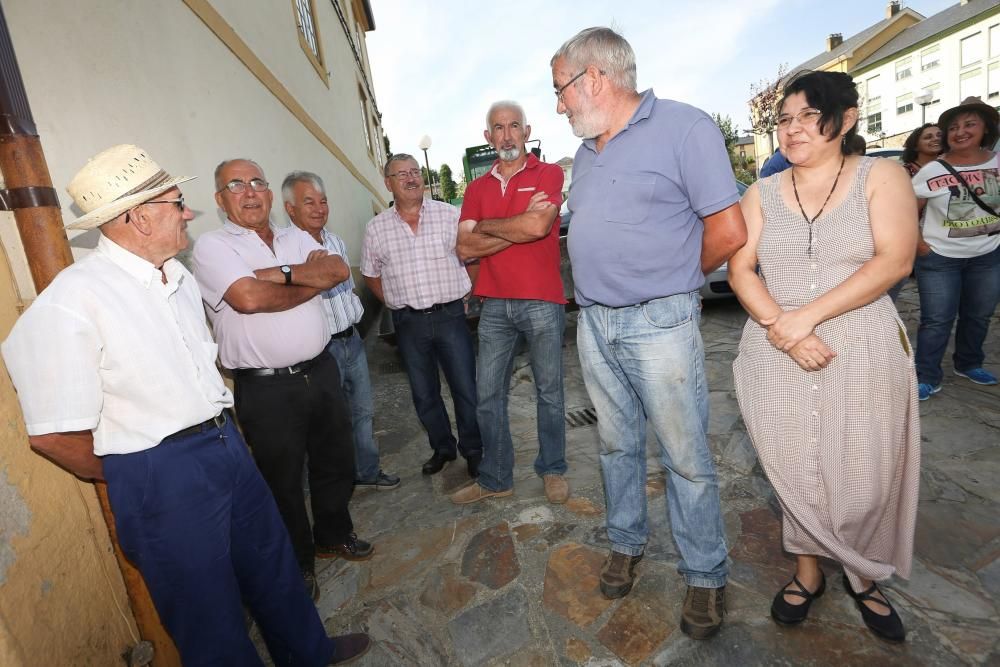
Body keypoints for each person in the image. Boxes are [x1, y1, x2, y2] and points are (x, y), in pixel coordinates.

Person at [1, 145, 370, 665]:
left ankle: (307, 653)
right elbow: (53, 435)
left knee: (273, 568)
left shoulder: (175, 278)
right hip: (158, 470)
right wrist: (138, 473)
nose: (189, 212)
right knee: (209, 617)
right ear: (138, 217)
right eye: (176, 202)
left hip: (224, 441)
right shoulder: (72, 301)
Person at [551, 27, 747, 640]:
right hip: (594, 323)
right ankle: (627, 542)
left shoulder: (685, 128)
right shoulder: (586, 152)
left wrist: (673, 285)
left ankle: (705, 575)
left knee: (684, 457)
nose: (557, 104)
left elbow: (730, 228)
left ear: (594, 79)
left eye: (560, 90)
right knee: (614, 446)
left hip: (659, 323)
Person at [729, 71, 919, 643]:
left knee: (865, 469)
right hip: (777, 351)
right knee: (794, 467)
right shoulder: (760, 193)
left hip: (861, 349)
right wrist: (782, 329)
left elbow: (894, 261)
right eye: (784, 119)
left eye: (809, 116)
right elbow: (740, 268)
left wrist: (804, 318)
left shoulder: (881, 176)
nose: (793, 129)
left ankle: (863, 572)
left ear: (847, 117)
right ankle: (808, 571)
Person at [193, 159, 374, 603]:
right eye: (236, 185)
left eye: (258, 182)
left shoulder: (296, 235)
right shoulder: (212, 248)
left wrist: (285, 275)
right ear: (221, 200)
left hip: (321, 367)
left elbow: (336, 271)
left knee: (336, 461)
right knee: (283, 481)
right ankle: (299, 561)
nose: (250, 191)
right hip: (267, 388)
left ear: (271, 194)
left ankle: (334, 533)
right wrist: (302, 277)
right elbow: (248, 298)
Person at [449, 101, 568, 506]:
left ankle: (552, 469)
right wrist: (520, 228)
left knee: (550, 392)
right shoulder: (477, 188)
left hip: (542, 300)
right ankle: (496, 476)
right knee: (487, 395)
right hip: (494, 304)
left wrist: (488, 227)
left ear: (526, 131)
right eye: (498, 128)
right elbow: (465, 246)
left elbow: (539, 226)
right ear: (488, 137)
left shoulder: (548, 173)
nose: (506, 134)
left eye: (513, 126)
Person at [361, 154, 483, 477]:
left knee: (465, 388)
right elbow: (370, 274)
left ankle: (473, 450)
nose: (411, 178)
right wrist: (394, 301)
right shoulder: (376, 229)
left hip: (450, 317)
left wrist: (467, 292)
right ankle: (443, 448)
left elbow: (471, 256)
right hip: (409, 323)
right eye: (401, 174)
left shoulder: (449, 215)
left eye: (415, 171)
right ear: (388, 183)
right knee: (424, 393)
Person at [282, 170, 400, 491]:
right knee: (331, 422)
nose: (320, 208)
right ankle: (337, 482)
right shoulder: (285, 249)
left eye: (323, 201)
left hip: (352, 339)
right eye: (309, 202)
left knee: (363, 412)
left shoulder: (334, 240)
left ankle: (367, 470)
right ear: (290, 208)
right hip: (322, 350)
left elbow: (345, 289)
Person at [911, 97, 1000, 399]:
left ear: (986, 128)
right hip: (940, 259)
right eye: (953, 127)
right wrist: (920, 244)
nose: (960, 131)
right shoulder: (933, 169)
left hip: (988, 255)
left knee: (979, 315)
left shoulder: (997, 162)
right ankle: (927, 375)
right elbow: (908, 208)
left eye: (969, 124)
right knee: (936, 320)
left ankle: (969, 363)